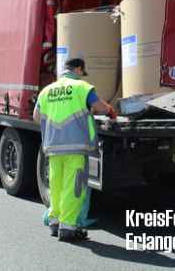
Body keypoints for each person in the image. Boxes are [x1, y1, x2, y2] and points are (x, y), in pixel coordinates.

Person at [33, 57, 115, 242]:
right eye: (81, 72)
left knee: (56, 185)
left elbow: (37, 116)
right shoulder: (82, 87)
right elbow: (100, 107)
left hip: (53, 147)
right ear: (78, 69)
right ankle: (68, 228)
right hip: (75, 147)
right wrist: (110, 110)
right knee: (74, 187)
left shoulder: (46, 91)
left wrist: (56, 125)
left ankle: (55, 222)